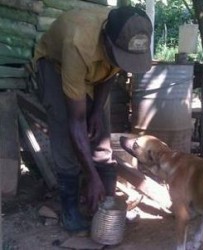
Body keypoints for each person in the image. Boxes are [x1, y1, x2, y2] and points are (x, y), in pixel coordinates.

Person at [34, 6, 153, 232]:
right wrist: (92, 176)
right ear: (107, 42)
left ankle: (104, 204)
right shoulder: (78, 43)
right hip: (55, 67)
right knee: (64, 130)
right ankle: (70, 210)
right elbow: (76, 121)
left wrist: (97, 110)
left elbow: (111, 71)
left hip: (94, 68)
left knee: (100, 134)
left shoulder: (125, 37)